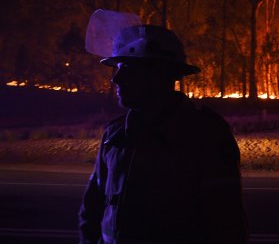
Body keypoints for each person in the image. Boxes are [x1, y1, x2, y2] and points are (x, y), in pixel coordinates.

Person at [79, 24, 248, 244]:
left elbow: (227, 222)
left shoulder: (204, 134)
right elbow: (93, 207)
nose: (116, 79)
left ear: (159, 75)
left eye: (127, 69)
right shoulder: (114, 135)